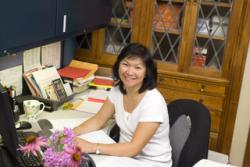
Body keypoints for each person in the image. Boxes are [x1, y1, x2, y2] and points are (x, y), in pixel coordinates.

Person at [73, 43, 172, 167]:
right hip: (123, 158)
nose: (130, 72)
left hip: (150, 163)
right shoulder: (118, 90)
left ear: (147, 72)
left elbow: (134, 148)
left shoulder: (153, 102)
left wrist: (92, 147)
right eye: (125, 64)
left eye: (137, 67)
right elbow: (99, 120)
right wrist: (72, 133)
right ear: (118, 65)